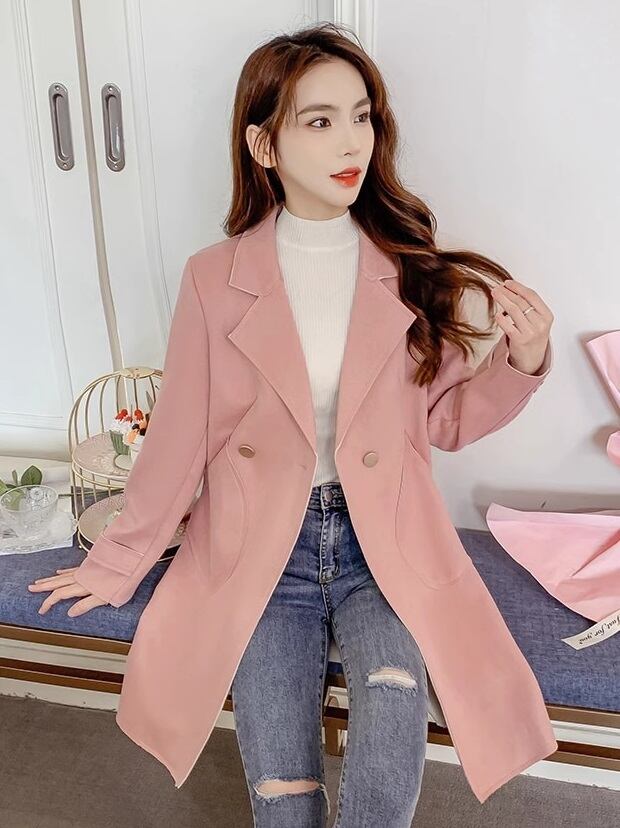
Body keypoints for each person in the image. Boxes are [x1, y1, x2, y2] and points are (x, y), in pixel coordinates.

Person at [27, 22, 554, 827]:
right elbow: (180, 437)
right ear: (263, 145)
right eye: (320, 120)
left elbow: (442, 422)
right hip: (262, 550)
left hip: (386, 546)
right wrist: (119, 559)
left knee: (392, 718)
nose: (351, 141)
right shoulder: (214, 278)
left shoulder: (409, 267)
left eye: (362, 116)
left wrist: (524, 359)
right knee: (281, 785)